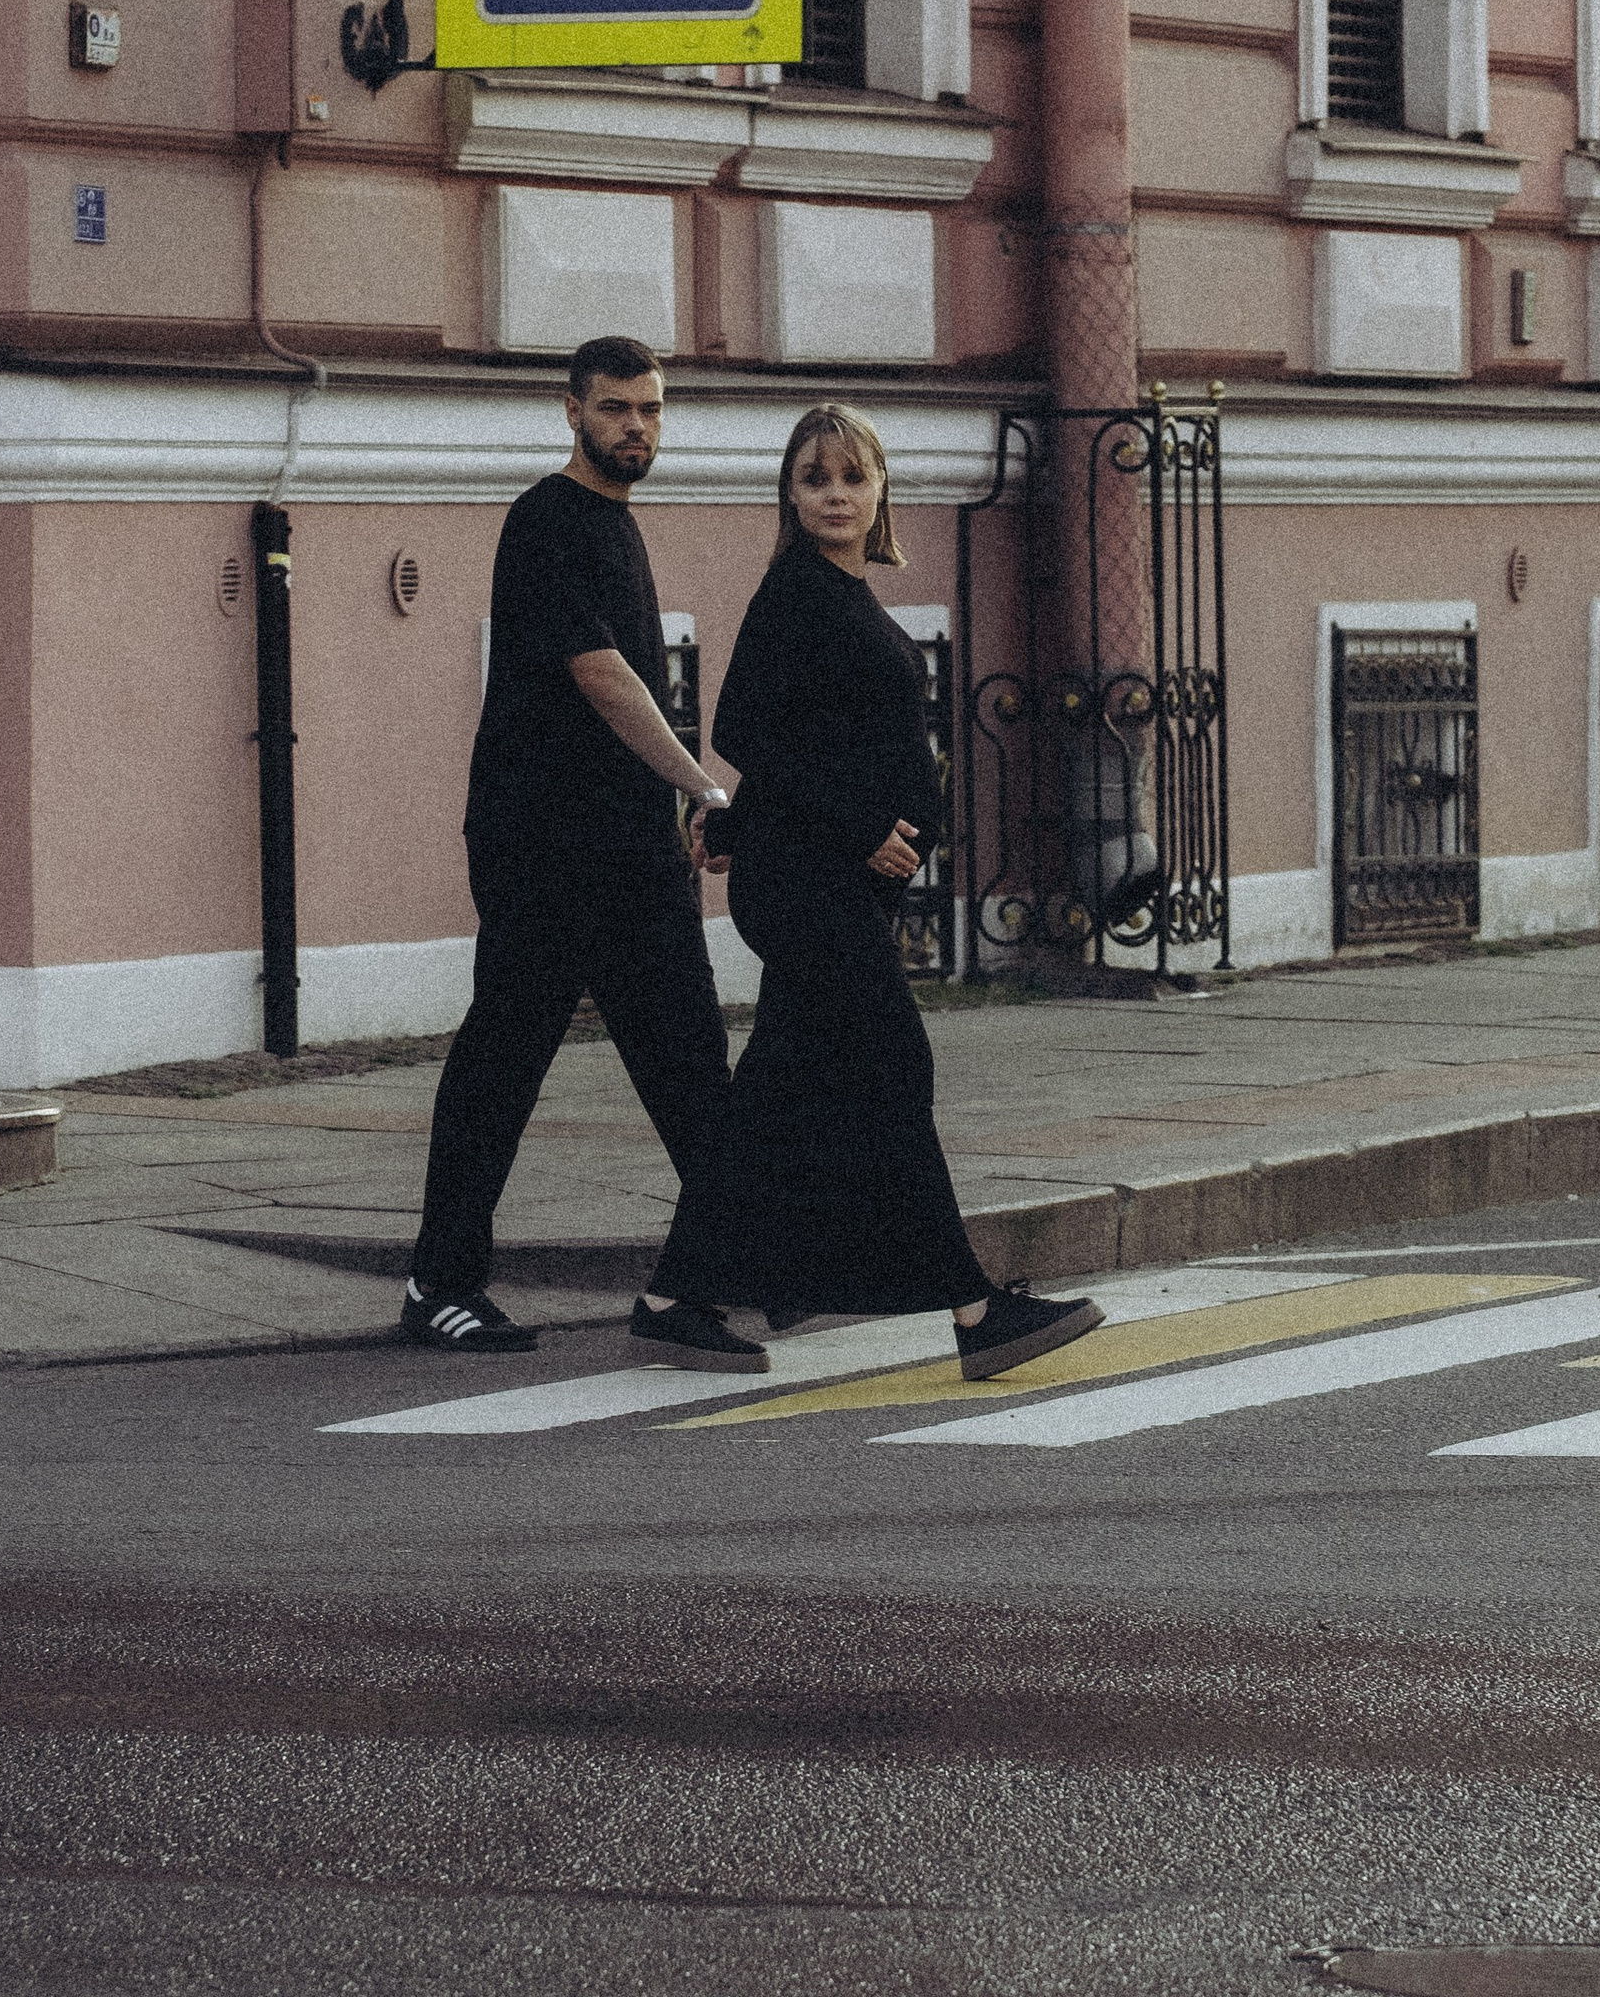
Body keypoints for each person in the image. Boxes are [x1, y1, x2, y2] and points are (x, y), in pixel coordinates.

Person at [646, 403, 1107, 1383]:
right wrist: (858, 826)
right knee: (895, 1070)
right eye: (815, 478)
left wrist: (748, 824)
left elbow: (806, 741)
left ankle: (676, 1297)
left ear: (880, 486)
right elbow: (743, 730)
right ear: (789, 494)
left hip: (827, 883)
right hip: (807, 889)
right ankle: (976, 1309)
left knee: (777, 1094)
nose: (835, 496)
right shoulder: (795, 593)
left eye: (852, 477)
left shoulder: (847, 596)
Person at [395, 335, 748, 1359]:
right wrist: (703, 784)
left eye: (650, 409)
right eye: (615, 408)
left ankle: (707, 1280)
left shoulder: (618, 526)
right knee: (503, 1062)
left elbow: (628, 689)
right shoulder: (546, 519)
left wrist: (671, 806)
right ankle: (439, 1285)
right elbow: (602, 676)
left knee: (689, 1063)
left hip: (630, 849)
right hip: (541, 846)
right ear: (571, 412)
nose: (635, 426)